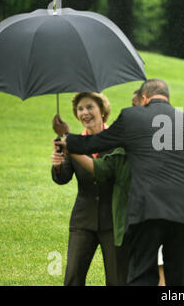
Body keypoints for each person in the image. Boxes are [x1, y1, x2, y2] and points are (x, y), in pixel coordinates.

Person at [55, 79, 184, 286]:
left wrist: (66, 137)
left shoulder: (132, 117)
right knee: (180, 281)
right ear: (167, 98)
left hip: (146, 211)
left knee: (142, 276)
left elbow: (96, 142)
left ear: (143, 97)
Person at [51, 92, 128, 286]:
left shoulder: (118, 141)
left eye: (89, 107)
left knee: (117, 280)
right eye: (80, 109)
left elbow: (112, 173)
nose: (84, 112)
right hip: (83, 220)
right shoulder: (74, 142)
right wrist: (58, 164)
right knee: (73, 277)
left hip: (113, 221)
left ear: (102, 111)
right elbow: (63, 178)